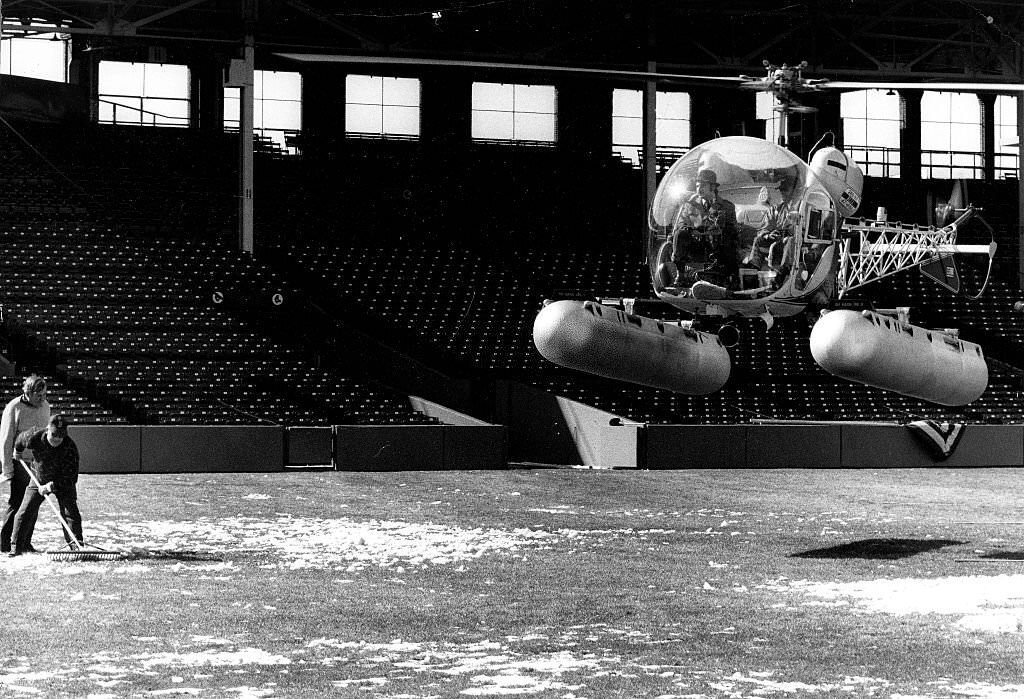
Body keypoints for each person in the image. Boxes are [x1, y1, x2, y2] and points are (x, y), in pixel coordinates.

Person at [9, 415, 82, 556]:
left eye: (60, 436)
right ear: (48, 429)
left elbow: (71, 478)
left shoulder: (70, 448)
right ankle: (16, 547)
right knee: (25, 511)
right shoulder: (34, 436)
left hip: (62, 483)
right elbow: (20, 440)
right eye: (54, 435)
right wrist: (17, 451)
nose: (57, 439)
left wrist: (51, 486)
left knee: (71, 513)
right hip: (39, 478)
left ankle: (77, 547)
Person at [0, 375, 50, 553]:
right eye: (39, 395)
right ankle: (5, 544)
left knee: (33, 504)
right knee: (17, 503)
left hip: (38, 463)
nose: (42, 398)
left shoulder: (46, 407)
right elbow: (6, 440)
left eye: (44, 394)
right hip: (20, 462)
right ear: (28, 393)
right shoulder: (14, 407)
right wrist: (7, 469)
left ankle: (25, 542)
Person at [671, 168, 738, 287]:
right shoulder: (689, 205)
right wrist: (691, 230)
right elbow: (680, 224)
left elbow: (732, 229)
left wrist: (717, 225)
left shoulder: (727, 207)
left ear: (712, 187)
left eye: (702, 185)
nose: (698, 189)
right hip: (696, 245)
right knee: (680, 234)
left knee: (729, 233)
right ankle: (680, 274)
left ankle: (729, 276)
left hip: (717, 246)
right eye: (697, 186)